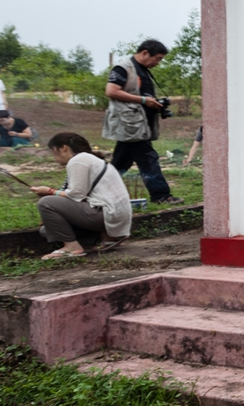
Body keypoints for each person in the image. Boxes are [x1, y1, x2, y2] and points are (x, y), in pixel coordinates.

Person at [29, 132, 132, 259]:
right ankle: (107, 237)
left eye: (53, 152)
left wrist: (49, 191)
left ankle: (72, 247)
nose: (54, 157)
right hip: (115, 215)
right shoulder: (89, 159)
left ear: (63, 148)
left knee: (46, 203)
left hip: (107, 214)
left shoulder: (78, 160)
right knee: (46, 230)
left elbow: (76, 194)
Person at [103, 39, 181, 204]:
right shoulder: (123, 68)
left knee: (120, 162)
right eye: (157, 58)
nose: (157, 63)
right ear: (145, 52)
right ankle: (161, 196)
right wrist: (144, 101)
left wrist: (155, 104)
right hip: (131, 125)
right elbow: (111, 91)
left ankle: (97, 188)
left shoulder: (143, 70)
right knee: (148, 159)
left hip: (138, 124)